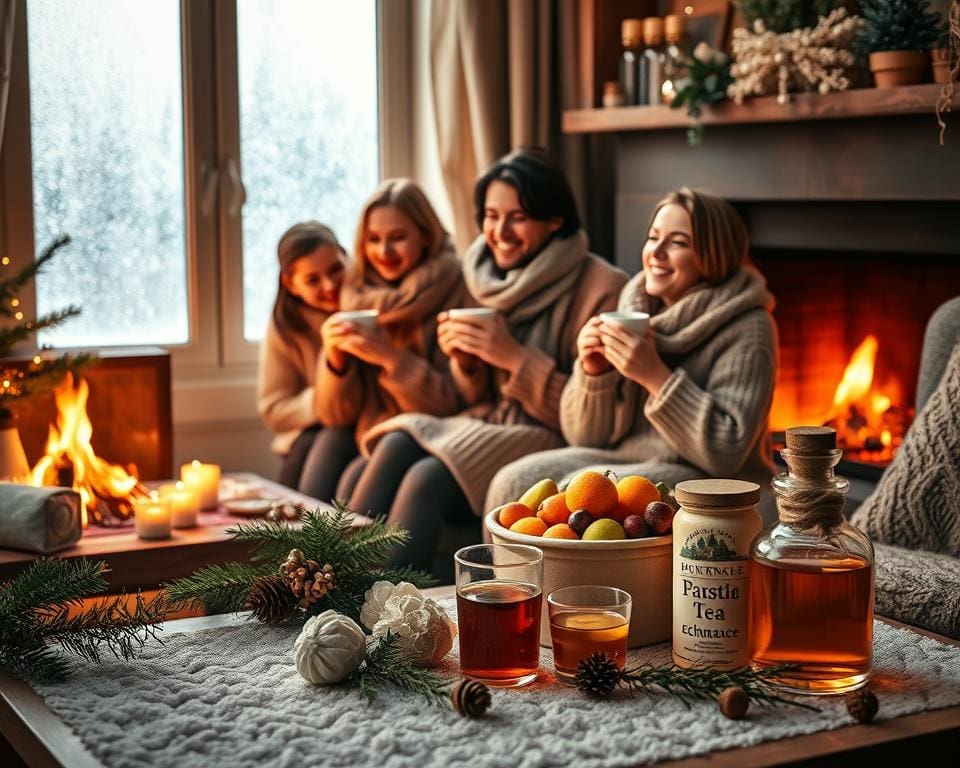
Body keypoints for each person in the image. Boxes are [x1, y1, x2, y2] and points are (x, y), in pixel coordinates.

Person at [349, 149, 627, 572]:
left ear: (555, 220)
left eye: (517, 217)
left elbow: (596, 424)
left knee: (427, 477)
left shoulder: (603, 288)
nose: (500, 231)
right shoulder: (484, 278)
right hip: (489, 421)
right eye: (491, 216)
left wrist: (514, 357)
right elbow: (468, 398)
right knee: (393, 443)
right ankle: (327, 584)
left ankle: (384, 611)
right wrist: (467, 364)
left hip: (552, 436)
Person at [487, 187, 779, 519]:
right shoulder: (635, 306)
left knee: (580, 499)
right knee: (511, 482)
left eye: (678, 242)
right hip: (628, 457)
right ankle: (511, 575)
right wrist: (595, 374)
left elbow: (725, 453)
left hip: (715, 478)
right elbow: (584, 437)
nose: (656, 252)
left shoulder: (749, 327)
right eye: (653, 238)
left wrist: (654, 376)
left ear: (715, 254)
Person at [312, 178, 468, 500]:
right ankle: (293, 550)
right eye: (373, 239)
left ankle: (327, 552)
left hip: (436, 435)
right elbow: (333, 415)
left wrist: (391, 359)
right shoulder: (355, 294)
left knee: (365, 471)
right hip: (373, 432)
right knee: (326, 442)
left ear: (425, 235)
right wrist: (335, 362)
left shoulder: (457, 288)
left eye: (398, 238)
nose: (384, 252)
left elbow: (455, 405)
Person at [257, 221, 352, 500]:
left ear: (346, 256)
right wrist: (325, 400)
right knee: (307, 446)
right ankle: (291, 540)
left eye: (336, 269)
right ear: (291, 284)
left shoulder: (368, 304)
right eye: (313, 280)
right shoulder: (286, 326)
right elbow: (274, 408)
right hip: (313, 431)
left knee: (329, 441)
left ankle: (305, 540)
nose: (330, 285)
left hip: (355, 429)